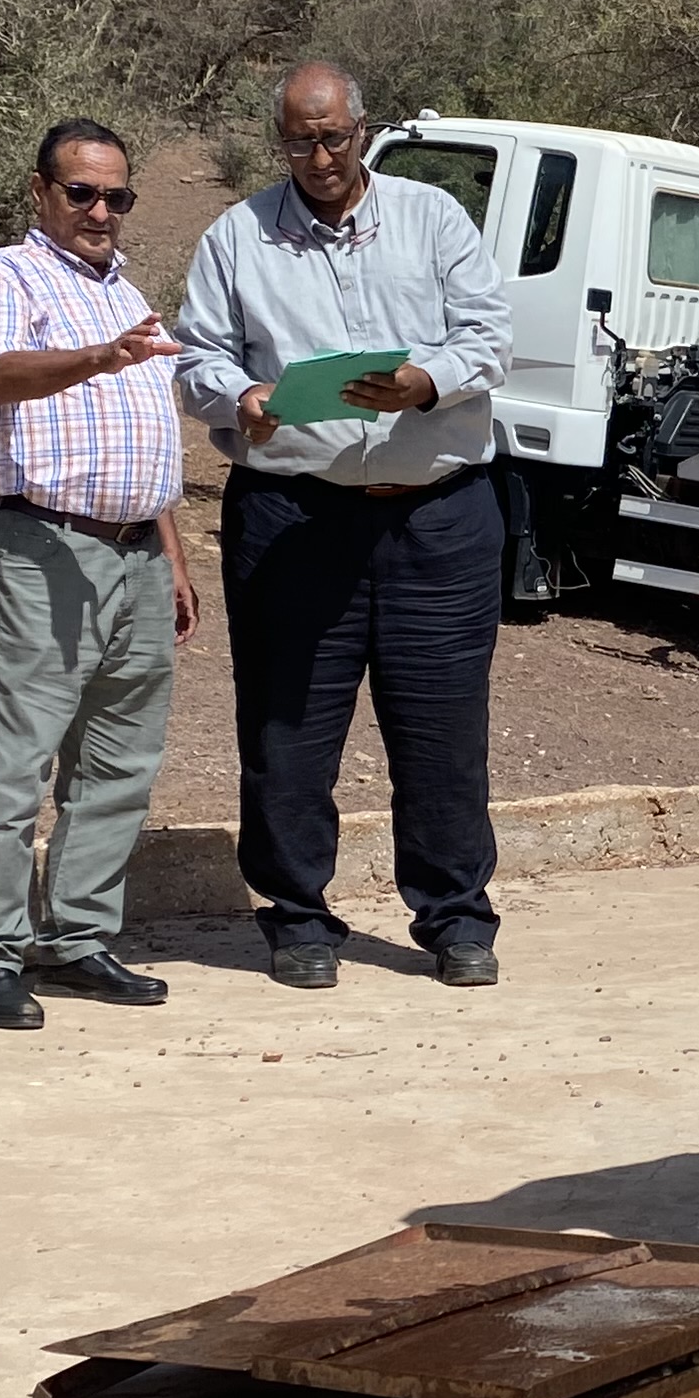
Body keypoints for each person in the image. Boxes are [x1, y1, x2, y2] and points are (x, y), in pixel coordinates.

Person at [169, 62, 516, 992]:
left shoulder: (434, 219)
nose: (318, 158)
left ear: (363, 129)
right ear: (278, 140)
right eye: (297, 141)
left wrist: (425, 382)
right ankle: (297, 917)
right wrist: (239, 396)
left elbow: (490, 335)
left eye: (333, 137)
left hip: (437, 517)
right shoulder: (237, 237)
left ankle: (454, 918)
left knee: (443, 728)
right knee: (289, 727)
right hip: (295, 517)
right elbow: (196, 353)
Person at [0, 119, 200, 1030]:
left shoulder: (126, 291)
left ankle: (81, 935)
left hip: (135, 549)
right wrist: (95, 356)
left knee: (119, 758)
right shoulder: (5, 276)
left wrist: (169, 552)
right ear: (41, 193)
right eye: (82, 193)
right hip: (43, 544)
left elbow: (143, 432)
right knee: (16, 760)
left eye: (117, 196)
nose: (101, 211)